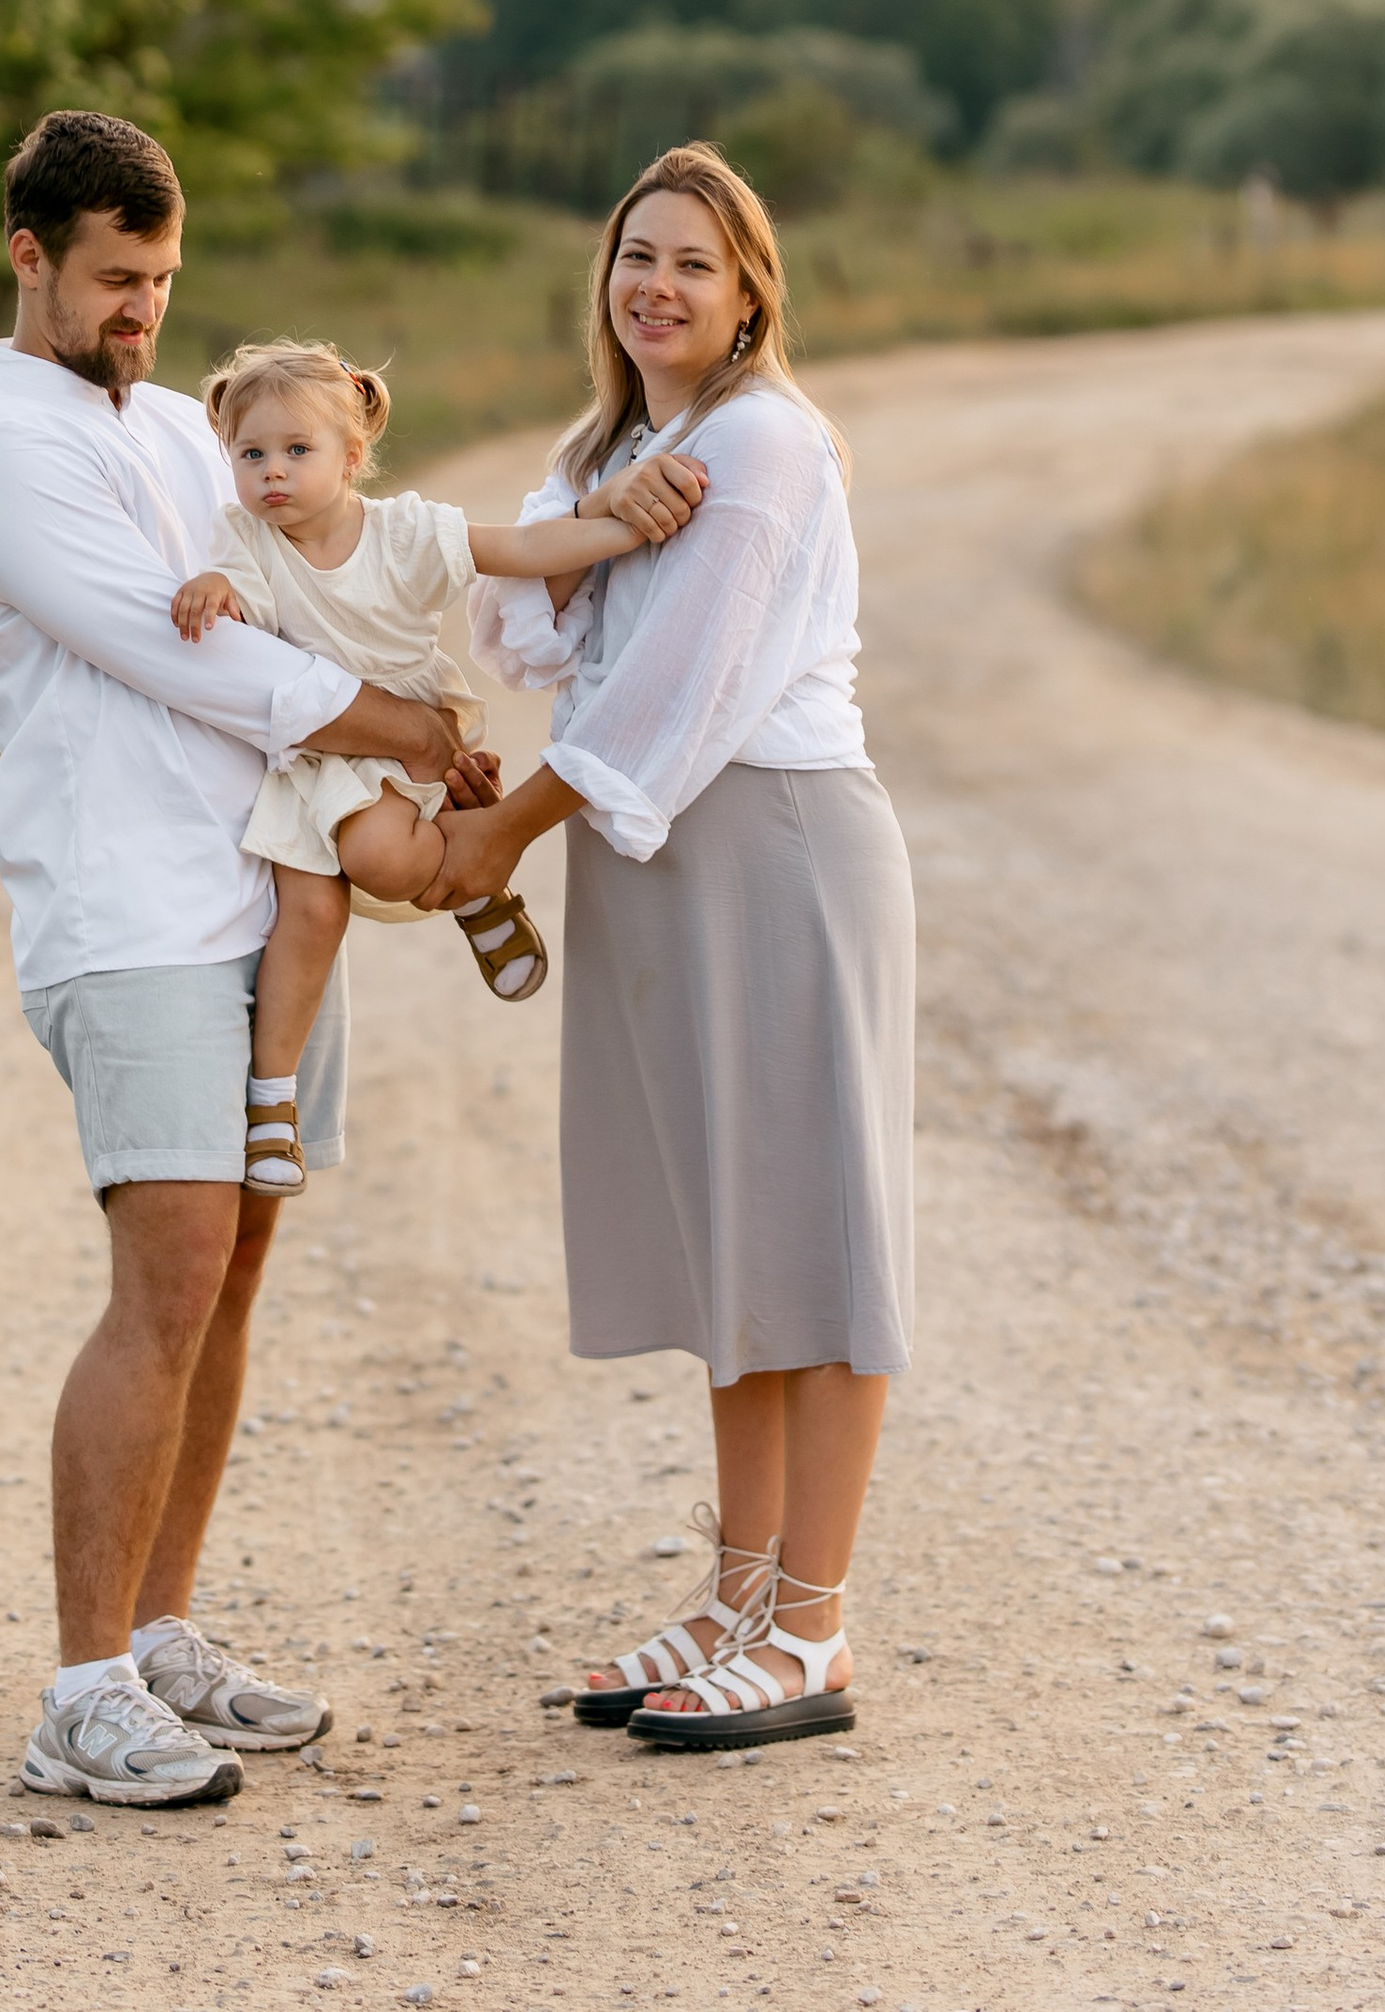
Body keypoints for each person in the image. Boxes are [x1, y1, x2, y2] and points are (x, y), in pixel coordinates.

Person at [0, 112, 469, 1811]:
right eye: (115, 280)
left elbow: (327, 570)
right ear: (30, 259)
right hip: (127, 911)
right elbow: (203, 669)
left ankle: (162, 1633)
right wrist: (403, 727)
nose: (145, 311)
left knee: (232, 1270)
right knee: (162, 1281)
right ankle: (80, 1693)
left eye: (163, 278)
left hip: (261, 897)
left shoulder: (180, 427)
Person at [437, 140, 916, 1750]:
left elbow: (677, 685)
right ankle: (736, 1597)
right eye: (637, 255)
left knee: (817, 1238)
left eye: (694, 263)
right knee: (733, 1240)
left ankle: (812, 1628)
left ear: (750, 294)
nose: (657, 285)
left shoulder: (765, 442)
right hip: (654, 855)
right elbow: (521, 630)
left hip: (776, 844)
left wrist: (503, 831)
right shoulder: (623, 450)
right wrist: (591, 513)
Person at [169, 334, 688, 1194]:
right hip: (318, 753)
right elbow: (232, 591)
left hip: (406, 737)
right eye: (251, 454)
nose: (272, 473)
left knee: (381, 857)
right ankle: (272, 1106)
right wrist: (212, 588)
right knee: (308, 916)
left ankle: (471, 883)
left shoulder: (403, 532)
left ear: (351, 455)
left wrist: (619, 527)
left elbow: (522, 551)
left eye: (297, 450)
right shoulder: (246, 540)